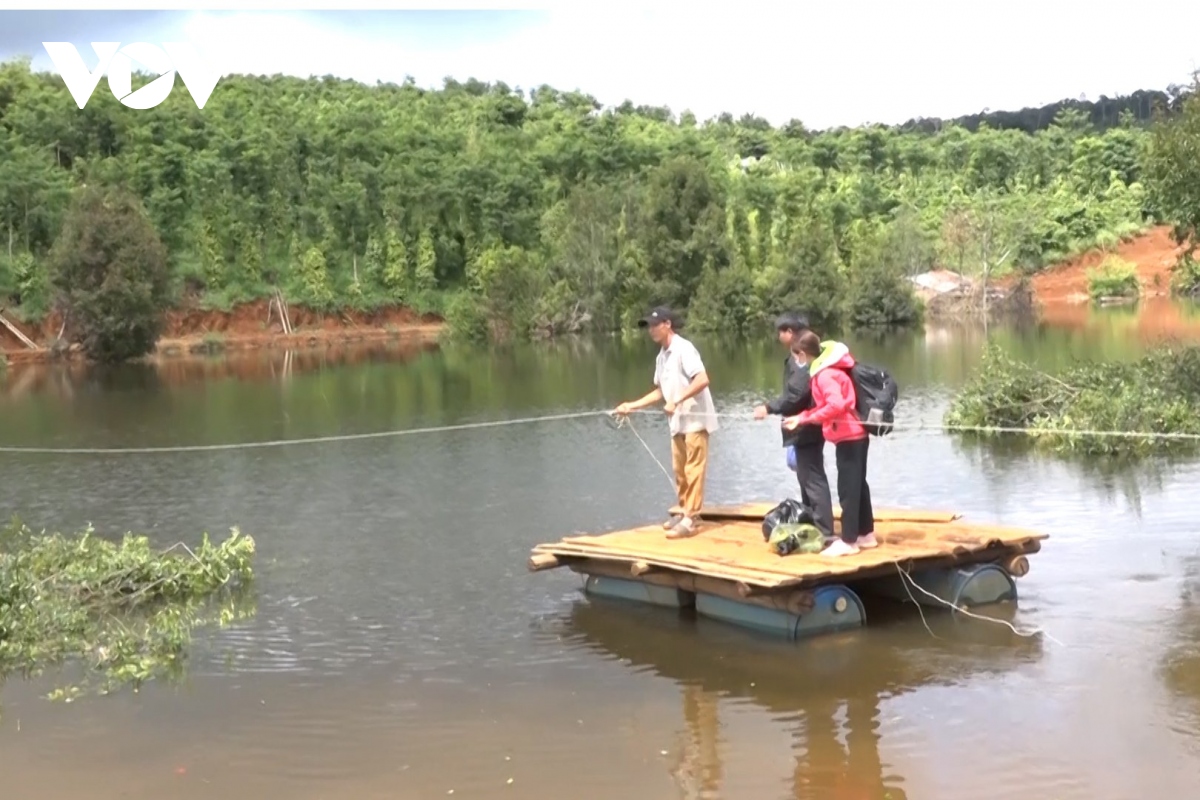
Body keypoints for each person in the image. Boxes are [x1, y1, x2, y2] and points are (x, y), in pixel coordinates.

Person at [615, 306, 718, 539]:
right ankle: (685, 512)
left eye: (654, 325)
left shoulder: (684, 349)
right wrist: (631, 406)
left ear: (667, 324)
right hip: (677, 422)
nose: (651, 330)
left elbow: (702, 379)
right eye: (649, 326)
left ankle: (690, 519)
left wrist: (678, 400)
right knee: (680, 471)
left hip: (696, 419)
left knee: (693, 470)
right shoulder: (661, 356)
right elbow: (660, 391)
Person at [782, 331, 876, 557]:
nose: (798, 361)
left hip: (849, 435)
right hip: (856, 434)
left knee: (848, 489)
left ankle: (849, 541)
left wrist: (808, 418)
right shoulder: (831, 369)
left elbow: (836, 404)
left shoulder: (824, 375)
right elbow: (830, 404)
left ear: (803, 354)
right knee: (858, 485)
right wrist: (803, 417)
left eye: (797, 356)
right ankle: (866, 534)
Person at [753, 312, 834, 539]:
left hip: (807, 428)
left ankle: (825, 531)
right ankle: (814, 523)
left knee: (813, 479)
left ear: (790, 332)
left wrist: (768, 408)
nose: (778, 335)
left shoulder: (802, 359)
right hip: (800, 427)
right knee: (806, 477)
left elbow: (796, 394)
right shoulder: (797, 357)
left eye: (781, 331)